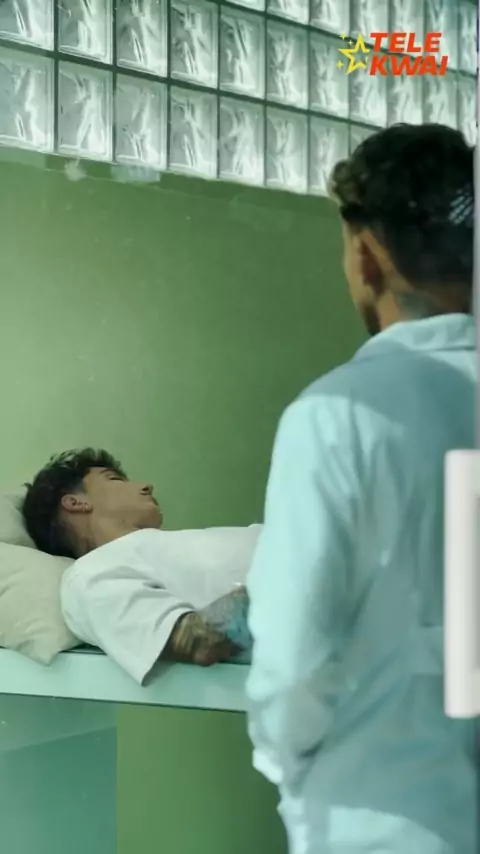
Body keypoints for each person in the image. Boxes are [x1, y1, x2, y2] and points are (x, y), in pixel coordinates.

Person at [246, 123, 477, 854]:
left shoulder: (338, 416)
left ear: (366, 255)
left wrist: (293, 773)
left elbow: (292, 663)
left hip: (380, 820)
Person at [23, 449, 260, 683]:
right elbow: (200, 641)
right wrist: (279, 578)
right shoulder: (88, 575)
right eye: (114, 479)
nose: (147, 486)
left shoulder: (166, 549)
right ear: (75, 502)